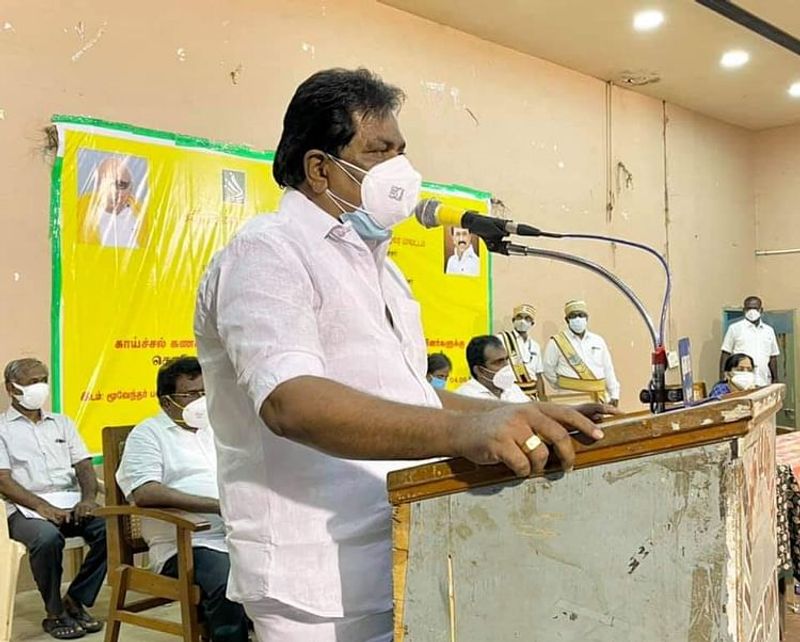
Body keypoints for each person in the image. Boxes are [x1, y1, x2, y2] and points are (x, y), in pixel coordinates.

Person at [194, 67, 609, 642]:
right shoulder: (268, 252)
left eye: (401, 151)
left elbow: (409, 392)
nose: (400, 171)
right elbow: (291, 403)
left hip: (406, 539)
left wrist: (521, 417)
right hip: (318, 574)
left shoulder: (380, 270)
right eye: (378, 151)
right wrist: (464, 433)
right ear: (319, 168)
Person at [116, 357, 249, 642]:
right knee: (229, 583)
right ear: (166, 401)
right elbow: (144, 491)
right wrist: (217, 505)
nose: (202, 400)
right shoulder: (147, 434)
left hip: (236, 533)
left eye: (205, 392)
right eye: (191, 394)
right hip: (187, 544)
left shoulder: (217, 428)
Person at [0, 358, 106, 640]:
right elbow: (3, 480)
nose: (40, 387)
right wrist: (43, 508)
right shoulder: (2, 429)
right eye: (32, 381)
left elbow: (83, 466)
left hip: (71, 502)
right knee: (47, 539)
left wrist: (88, 498)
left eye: (43, 379)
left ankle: (77, 598)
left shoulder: (63, 423)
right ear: (12, 388)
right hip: (25, 509)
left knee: (110, 529)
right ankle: (55, 611)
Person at [543, 300, 621, 405]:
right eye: (573, 316)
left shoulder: (598, 340)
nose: (578, 319)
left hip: (599, 398)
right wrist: (564, 385)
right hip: (569, 399)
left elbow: (608, 369)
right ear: (567, 320)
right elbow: (548, 369)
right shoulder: (556, 342)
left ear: (586, 318)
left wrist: (614, 394)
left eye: (581, 315)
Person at [78, 156, 147, 248]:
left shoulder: (145, 216)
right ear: (97, 185)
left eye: (121, 185)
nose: (114, 192)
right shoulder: (78, 211)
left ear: (131, 188)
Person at [720, 296, 779, 387]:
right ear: (744, 310)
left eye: (755, 308)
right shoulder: (735, 328)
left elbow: (773, 356)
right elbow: (725, 353)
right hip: (740, 382)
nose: (752, 311)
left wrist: (775, 379)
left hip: (763, 380)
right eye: (749, 308)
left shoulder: (769, 331)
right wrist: (722, 377)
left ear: (761, 310)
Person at [455, 336, 531, 403]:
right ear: (479, 370)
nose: (506, 366)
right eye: (498, 362)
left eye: (506, 359)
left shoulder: (513, 389)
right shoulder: (464, 398)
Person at [498, 303, 546, 400]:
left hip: (531, 396)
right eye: (519, 317)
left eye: (527, 318)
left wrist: (542, 397)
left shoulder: (535, 345)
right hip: (510, 395)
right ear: (513, 320)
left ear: (532, 323)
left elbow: (538, 375)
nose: (522, 321)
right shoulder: (502, 339)